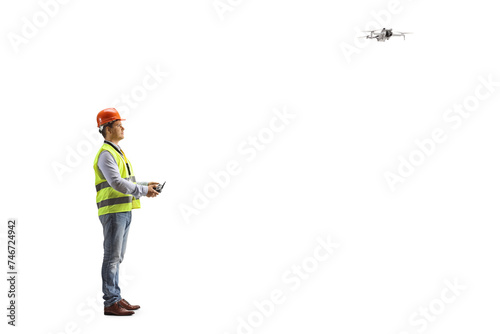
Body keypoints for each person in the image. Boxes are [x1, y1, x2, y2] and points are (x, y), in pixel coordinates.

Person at [93, 108, 159, 316]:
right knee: (112, 257)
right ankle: (110, 302)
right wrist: (143, 191)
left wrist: (147, 184)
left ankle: (116, 297)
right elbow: (116, 183)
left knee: (117, 257)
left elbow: (126, 182)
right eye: (118, 123)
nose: (123, 127)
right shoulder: (106, 154)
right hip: (113, 211)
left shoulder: (117, 152)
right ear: (108, 128)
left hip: (123, 210)